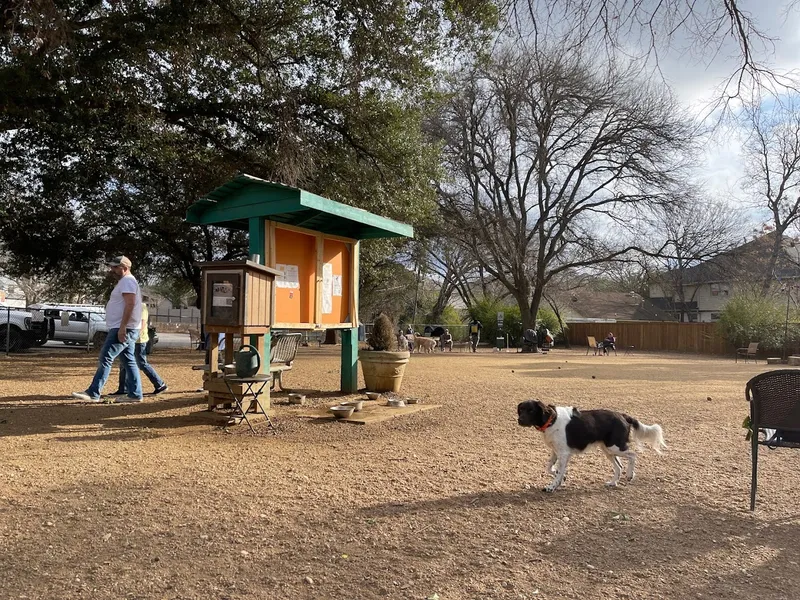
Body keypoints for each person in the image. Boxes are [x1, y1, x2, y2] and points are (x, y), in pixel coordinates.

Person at [71, 256, 144, 403]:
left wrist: (123, 327)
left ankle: (93, 393)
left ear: (125, 267)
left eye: (115, 267)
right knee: (128, 360)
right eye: (112, 267)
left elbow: (130, 305)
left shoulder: (128, 281)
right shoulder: (126, 282)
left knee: (106, 357)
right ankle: (135, 394)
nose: (112, 270)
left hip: (123, 328)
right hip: (125, 327)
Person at [111, 295, 168, 396]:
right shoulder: (130, 306)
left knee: (141, 363)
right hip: (130, 339)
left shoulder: (141, 307)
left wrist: (132, 336)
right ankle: (123, 389)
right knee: (124, 363)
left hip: (139, 340)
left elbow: (142, 324)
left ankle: (160, 384)